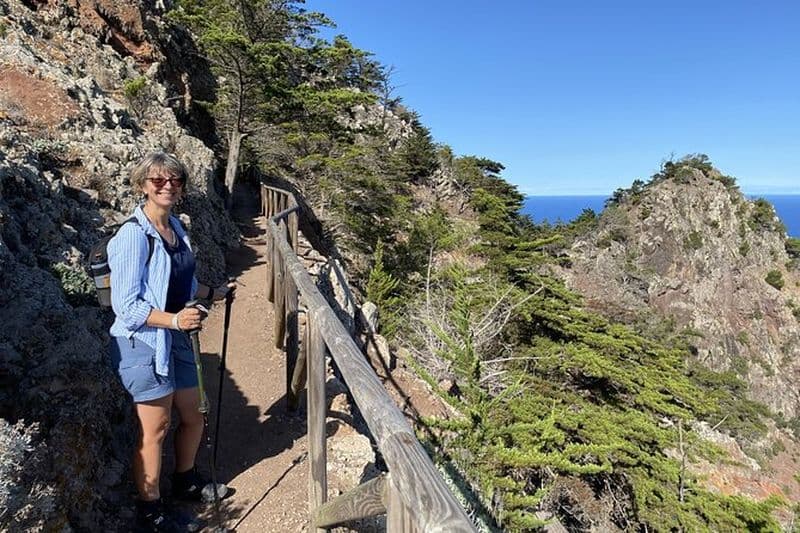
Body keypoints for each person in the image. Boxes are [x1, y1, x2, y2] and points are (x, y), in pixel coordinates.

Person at [107, 152, 230, 532]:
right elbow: (126, 307)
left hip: (175, 338)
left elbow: (183, 284)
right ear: (142, 184)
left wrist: (214, 292)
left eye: (174, 179)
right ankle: (151, 509)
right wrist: (175, 319)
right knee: (155, 429)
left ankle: (186, 480)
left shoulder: (176, 228)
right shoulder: (132, 235)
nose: (167, 186)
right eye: (157, 180)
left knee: (195, 414)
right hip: (144, 342)